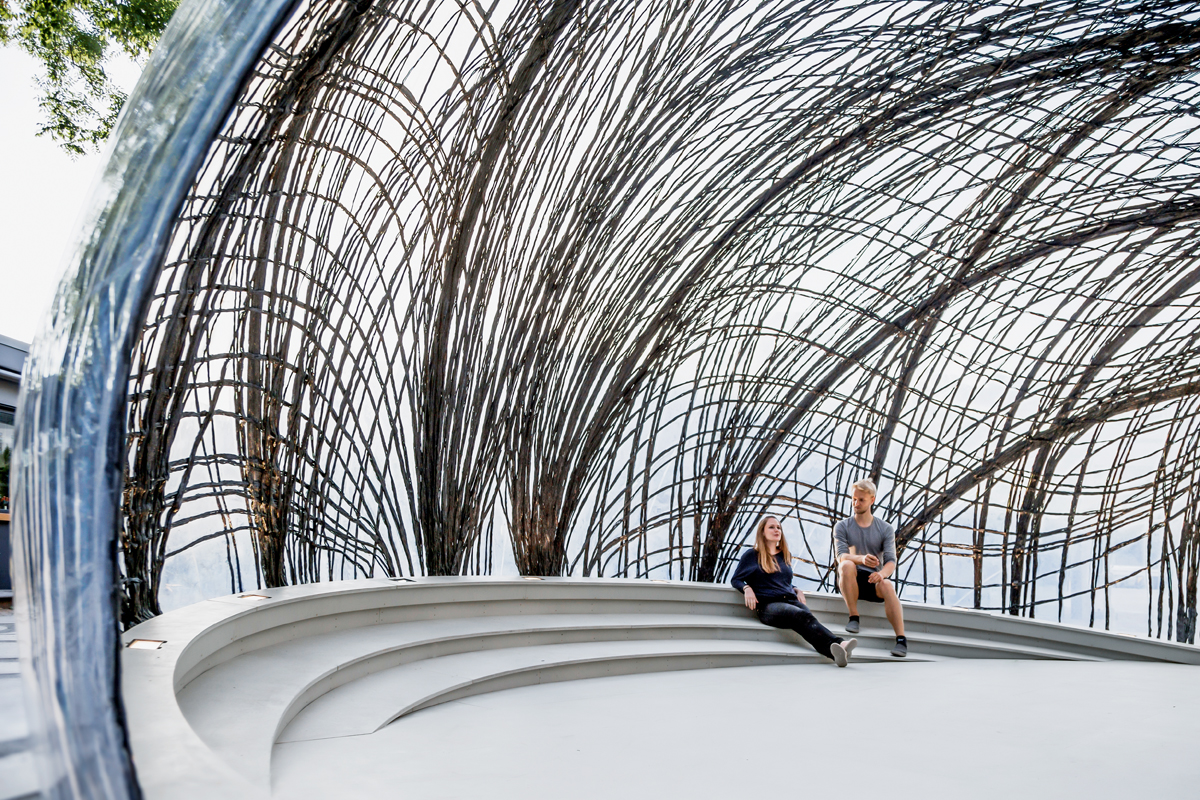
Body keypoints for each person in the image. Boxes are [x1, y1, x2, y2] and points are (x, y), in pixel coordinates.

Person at [732, 515, 857, 667]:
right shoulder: (752, 555)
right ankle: (840, 643)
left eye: (778, 527)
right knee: (801, 615)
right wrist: (746, 588)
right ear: (762, 532)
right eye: (771, 527)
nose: (776, 530)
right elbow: (736, 579)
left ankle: (835, 654)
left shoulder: (784, 555)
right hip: (768, 606)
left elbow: (784, 581)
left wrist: (796, 589)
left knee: (809, 619)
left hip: (790, 599)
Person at [834, 479, 908, 657]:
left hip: (873, 581)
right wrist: (861, 558)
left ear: (872, 500)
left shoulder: (885, 529)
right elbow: (841, 556)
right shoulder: (842, 526)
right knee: (846, 565)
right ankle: (854, 617)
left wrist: (881, 574)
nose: (856, 503)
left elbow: (891, 561)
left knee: (888, 585)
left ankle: (901, 639)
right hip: (850, 580)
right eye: (854, 499)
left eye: (861, 500)